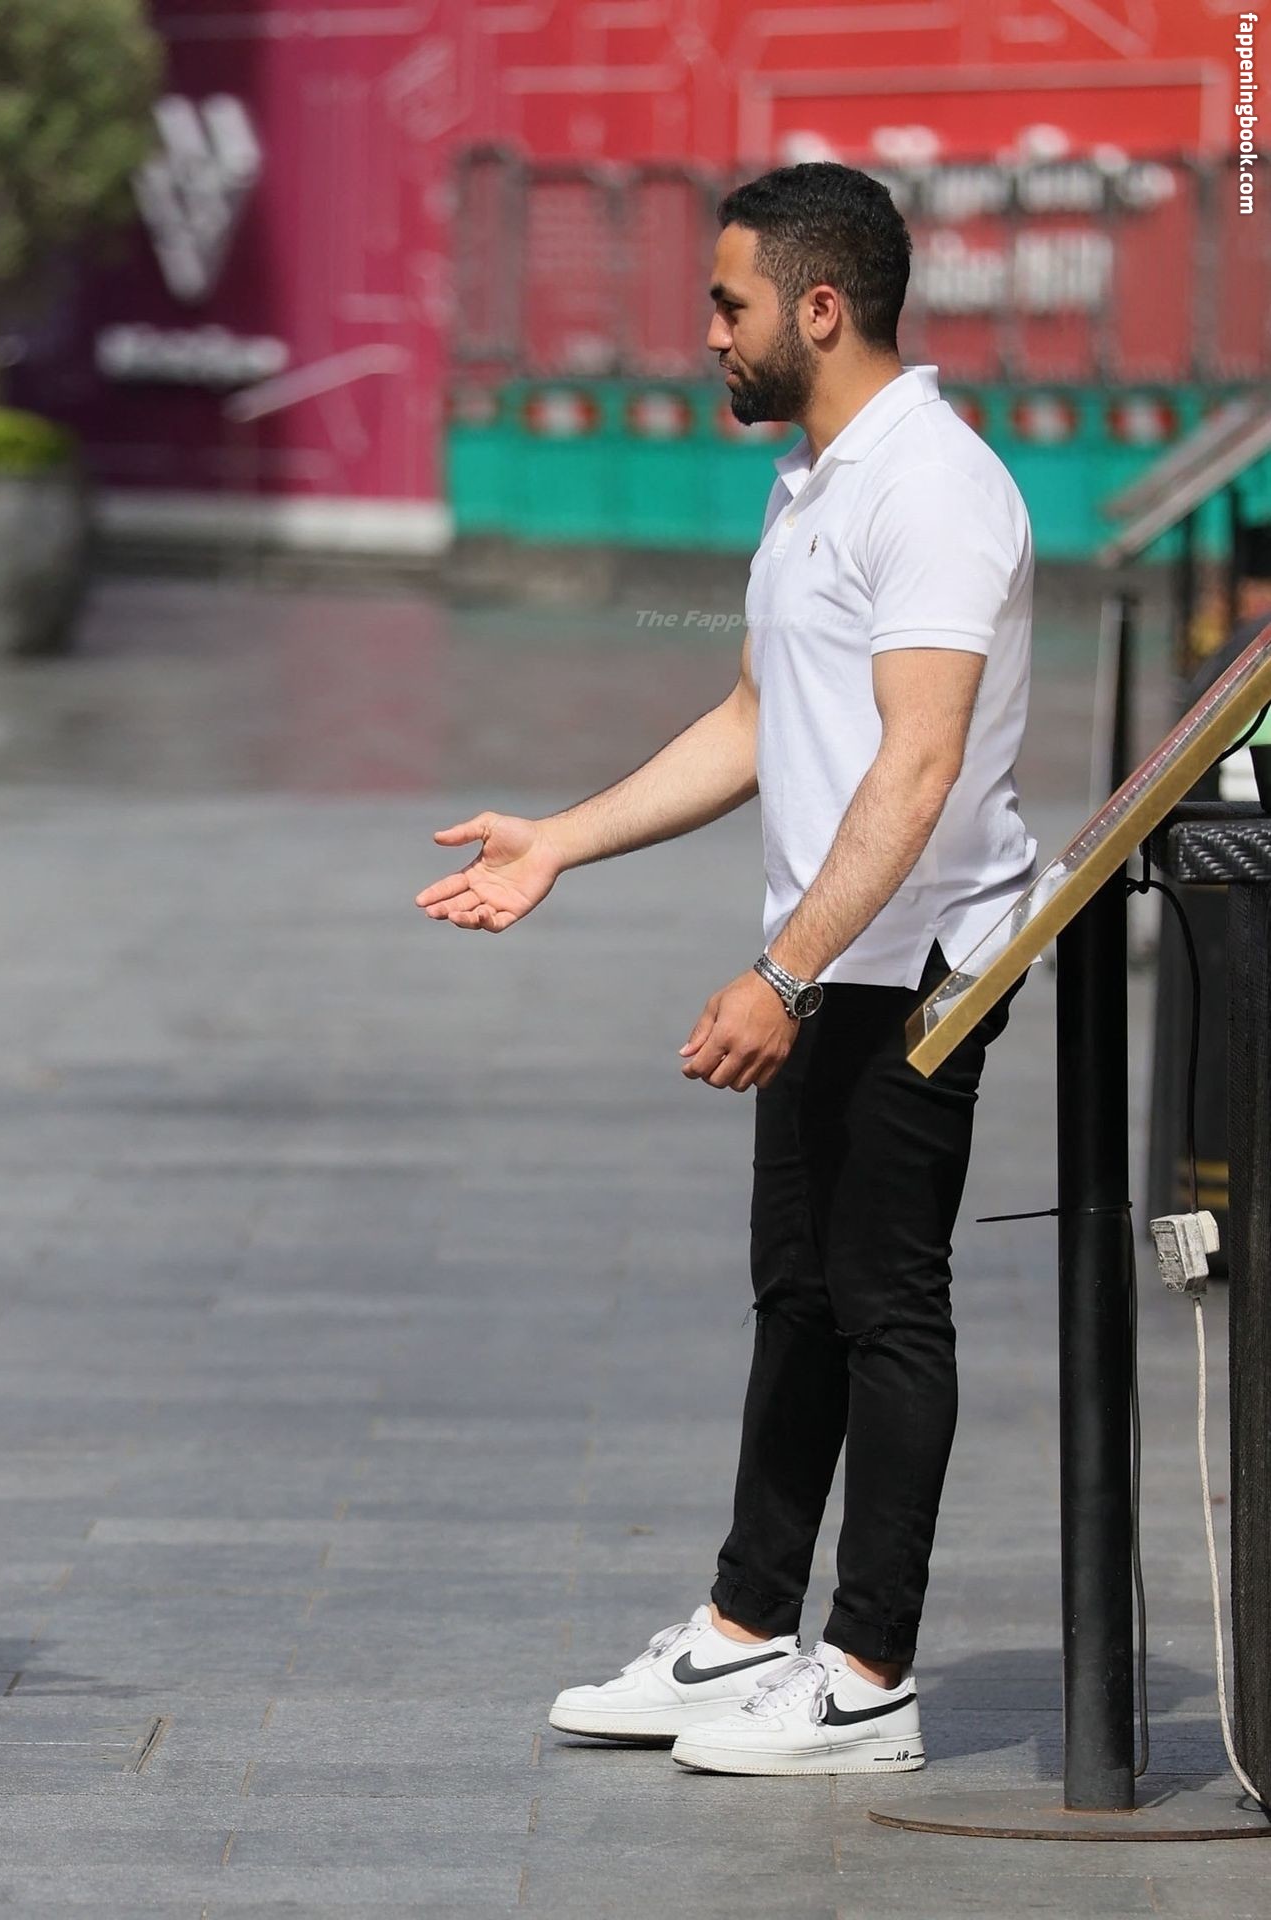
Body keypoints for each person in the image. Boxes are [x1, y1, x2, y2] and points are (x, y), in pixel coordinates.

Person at [415, 163, 1035, 1777]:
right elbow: (758, 722)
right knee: (800, 1298)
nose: (706, 333)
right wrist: (558, 841)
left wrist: (784, 973)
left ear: (817, 309)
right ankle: (747, 1631)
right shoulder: (816, 482)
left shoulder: (933, 490)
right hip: (835, 958)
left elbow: (917, 765)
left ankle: (869, 1676)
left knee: (885, 1305)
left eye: (727, 303)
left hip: (920, 964)